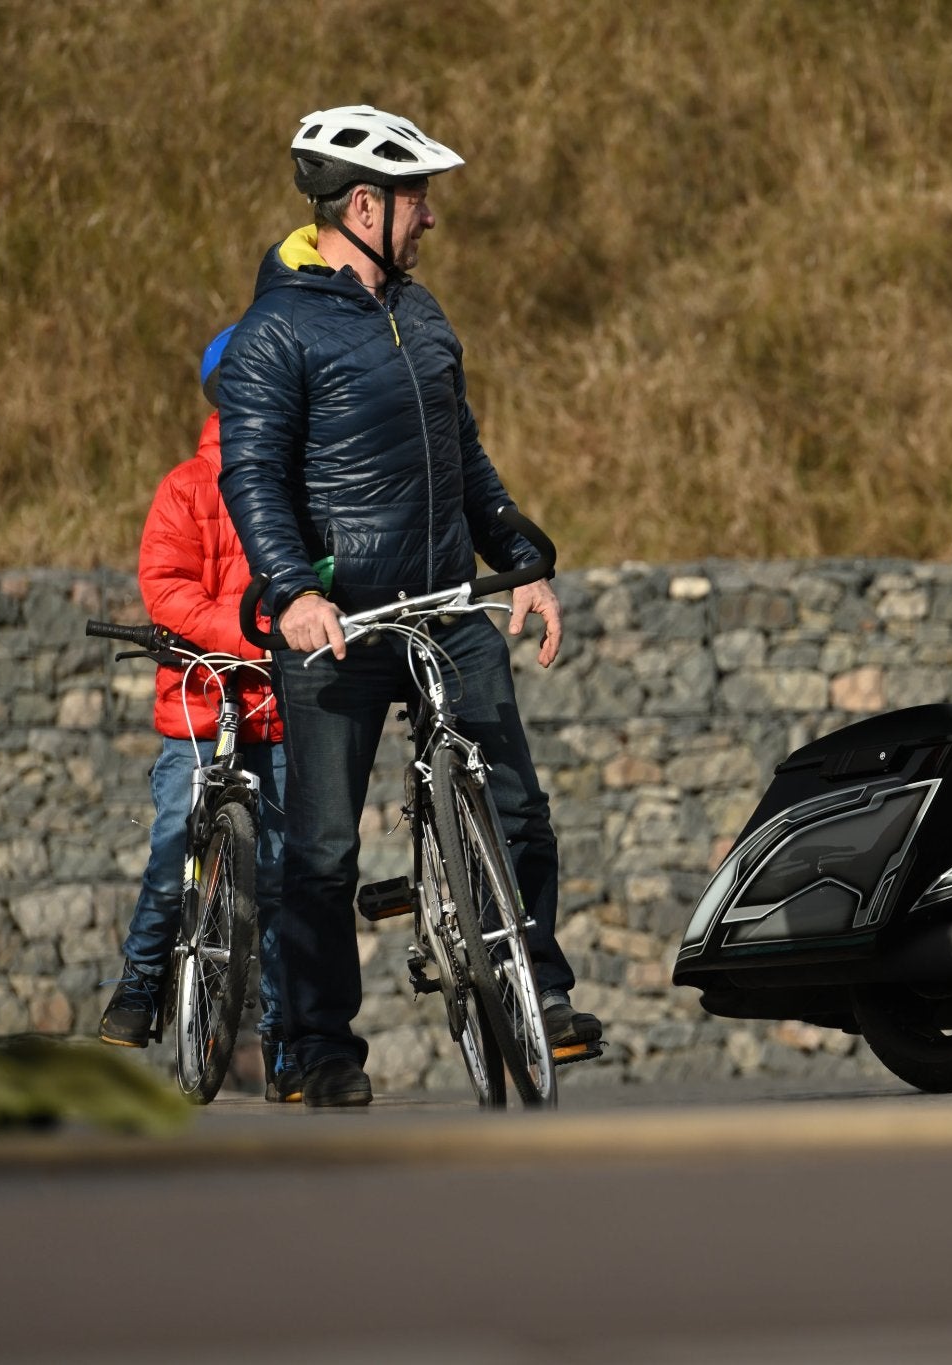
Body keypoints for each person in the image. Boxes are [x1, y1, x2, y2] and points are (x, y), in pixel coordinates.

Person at [217, 104, 598, 1107]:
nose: (429, 217)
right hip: (335, 624)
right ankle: (319, 1048)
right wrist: (292, 591)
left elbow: (463, 456)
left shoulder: (423, 317)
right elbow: (249, 472)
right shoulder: (277, 330)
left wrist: (521, 557)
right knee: (325, 853)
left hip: (441, 603)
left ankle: (539, 992)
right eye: (415, 198)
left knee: (517, 805)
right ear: (362, 205)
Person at [100, 327, 298, 1102]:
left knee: (284, 874)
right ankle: (143, 981)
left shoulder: (293, 487)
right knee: (173, 840)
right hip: (201, 701)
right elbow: (167, 588)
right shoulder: (186, 488)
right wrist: (250, 639)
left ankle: (286, 1042)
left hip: (274, 711)